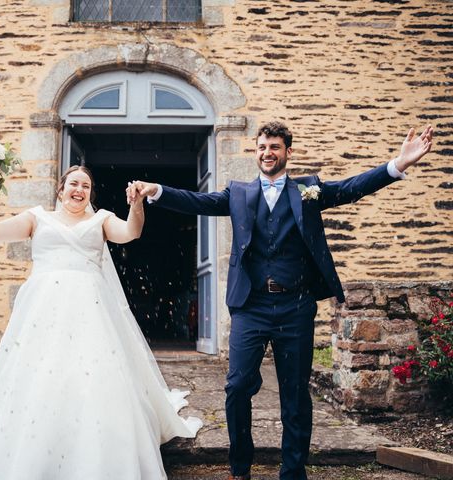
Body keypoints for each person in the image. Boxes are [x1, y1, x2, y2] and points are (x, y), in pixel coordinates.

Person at [127, 121, 433, 480]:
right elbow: (199, 201)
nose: (267, 153)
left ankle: (292, 471)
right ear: (255, 152)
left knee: (295, 392)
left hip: (296, 306)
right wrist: (157, 190)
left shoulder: (308, 190)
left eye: (274, 147)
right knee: (238, 385)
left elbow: (351, 188)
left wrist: (399, 164)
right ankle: (240, 467)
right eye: (261, 147)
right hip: (250, 306)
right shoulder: (238, 193)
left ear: (288, 152)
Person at [0, 164, 202, 480]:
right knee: (39, 375)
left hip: (91, 309)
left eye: (86, 186)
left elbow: (131, 232)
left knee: (92, 375)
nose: (79, 190)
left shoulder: (101, 220)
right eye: (74, 183)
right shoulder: (37, 218)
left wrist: (136, 205)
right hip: (42, 311)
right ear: (60, 190)